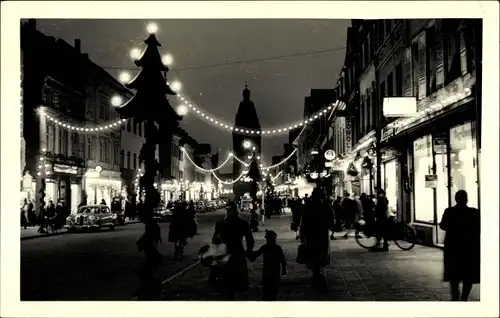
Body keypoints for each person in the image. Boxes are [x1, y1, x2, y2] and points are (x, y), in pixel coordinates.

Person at [439, 190, 480, 301]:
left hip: (453, 247)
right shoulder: (474, 213)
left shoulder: (449, 211)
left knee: (454, 276)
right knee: (468, 275)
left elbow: (442, 226)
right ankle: (464, 297)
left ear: (456, 199)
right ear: (466, 199)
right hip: (469, 248)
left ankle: (455, 298)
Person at [211, 201, 255, 300]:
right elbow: (249, 239)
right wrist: (249, 250)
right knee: (236, 278)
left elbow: (214, 240)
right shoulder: (242, 223)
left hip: (226, 251)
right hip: (236, 251)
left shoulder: (221, 223)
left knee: (223, 276)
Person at [299, 188, 335, 290]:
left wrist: (302, 235)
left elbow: (303, 223)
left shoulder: (310, 208)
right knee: (318, 256)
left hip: (315, 235)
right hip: (317, 235)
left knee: (317, 256)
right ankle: (318, 276)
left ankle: (317, 277)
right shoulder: (325, 207)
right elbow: (332, 222)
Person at [251, 230, 287, 301]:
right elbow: (282, 260)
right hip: (274, 270)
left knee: (267, 287)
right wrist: (284, 269)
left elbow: (256, 254)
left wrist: (249, 254)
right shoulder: (277, 248)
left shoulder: (265, 247)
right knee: (273, 287)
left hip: (268, 270)